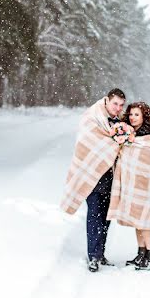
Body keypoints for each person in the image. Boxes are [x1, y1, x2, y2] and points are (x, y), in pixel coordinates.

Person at [60, 88, 126, 273]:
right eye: (115, 104)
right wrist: (114, 142)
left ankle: (101, 253)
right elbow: (89, 142)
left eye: (121, 105)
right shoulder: (92, 118)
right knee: (94, 215)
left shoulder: (120, 122)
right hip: (93, 176)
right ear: (106, 100)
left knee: (106, 218)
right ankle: (93, 256)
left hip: (111, 177)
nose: (118, 108)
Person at [107, 101, 150, 271]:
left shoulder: (149, 135)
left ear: (144, 116)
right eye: (131, 114)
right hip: (132, 185)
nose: (133, 117)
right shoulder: (128, 133)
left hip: (144, 184)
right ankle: (141, 253)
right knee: (137, 221)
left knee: (145, 221)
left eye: (137, 114)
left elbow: (145, 159)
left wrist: (130, 142)